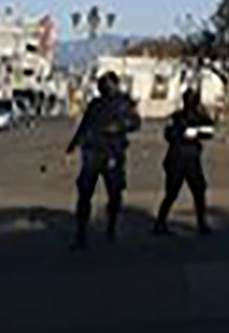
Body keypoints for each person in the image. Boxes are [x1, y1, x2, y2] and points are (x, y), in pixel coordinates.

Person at [66, 72, 142, 249]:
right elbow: (85, 125)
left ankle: (111, 227)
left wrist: (120, 126)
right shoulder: (95, 104)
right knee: (84, 194)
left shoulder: (124, 102)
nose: (103, 87)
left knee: (115, 194)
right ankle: (81, 234)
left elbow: (136, 122)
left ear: (115, 84)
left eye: (106, 84)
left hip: (113, 154)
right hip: (92, 153)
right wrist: (74, 143)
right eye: (101, 84)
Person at [153, 86, 215, 236]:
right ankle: (160, 223)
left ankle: (202, 223)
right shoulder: (177, 116)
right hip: (176, 159)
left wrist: (197, 131)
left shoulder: (200, 116)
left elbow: (209, 132)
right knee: (172, 193)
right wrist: (184, 133)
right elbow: (169, 134)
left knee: (199, 191)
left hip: (192, 159)